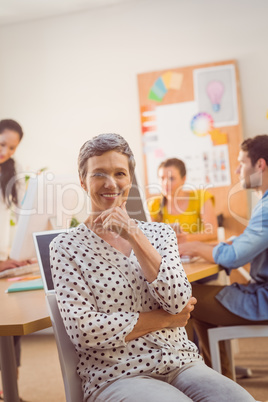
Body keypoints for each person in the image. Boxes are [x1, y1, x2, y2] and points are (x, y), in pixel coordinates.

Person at [49, 133, 254, 402]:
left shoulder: (159, 234)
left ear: (130, 180)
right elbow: (83, 330)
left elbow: (179, 301)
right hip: (118, 374)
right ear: (82, 181)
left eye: (119, 173)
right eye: (99, 174)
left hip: (182, 361)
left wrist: (135, 235)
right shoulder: (65, 246)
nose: (111, 183)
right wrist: (165, 320)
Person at [179, 134, 268, 378]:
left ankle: (188, 380)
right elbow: (250, 241)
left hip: (264, 301)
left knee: (184, 301)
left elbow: (235, 257)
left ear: (260, 165)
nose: (238, 169)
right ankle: (220, 381)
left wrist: (195, 249)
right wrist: (226, 243)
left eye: (242, 163)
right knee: (200, 306)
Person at [0, 118, 30, 392]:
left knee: (10, 327)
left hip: (3, 260)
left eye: (11, 148)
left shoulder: (11, 171)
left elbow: (25, 214)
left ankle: (11, 391)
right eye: (1, 144)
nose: (5, 152)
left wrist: (25, 251)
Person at [147, 158, 218, 244]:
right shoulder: (154, 204)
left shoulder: (201, 197)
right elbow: (150, 237)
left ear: (183, 179)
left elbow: (213, 233)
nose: (165, 183)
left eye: (171, 178)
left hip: (197, 253)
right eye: (162, 178)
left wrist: (187, 238)